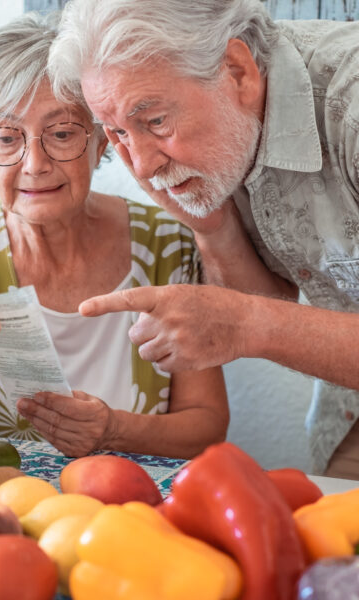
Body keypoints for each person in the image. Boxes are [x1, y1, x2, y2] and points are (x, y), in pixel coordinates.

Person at [0, 11, 228, 459]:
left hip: (139, 510)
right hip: (0, 504)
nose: (34, 163)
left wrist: (113, 430)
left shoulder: (170, 243)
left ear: (102, 141)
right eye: (7, 138)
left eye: (61, 133)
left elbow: (206, 423)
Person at [49, 0, 359, 476]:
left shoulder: (352, 106)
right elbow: (272, 295)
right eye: (116, 132)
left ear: (237, 71)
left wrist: (247, 324)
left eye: (155, 121)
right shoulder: (221, 132)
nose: (145, 165)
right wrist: (209, 223)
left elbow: (258, 314)